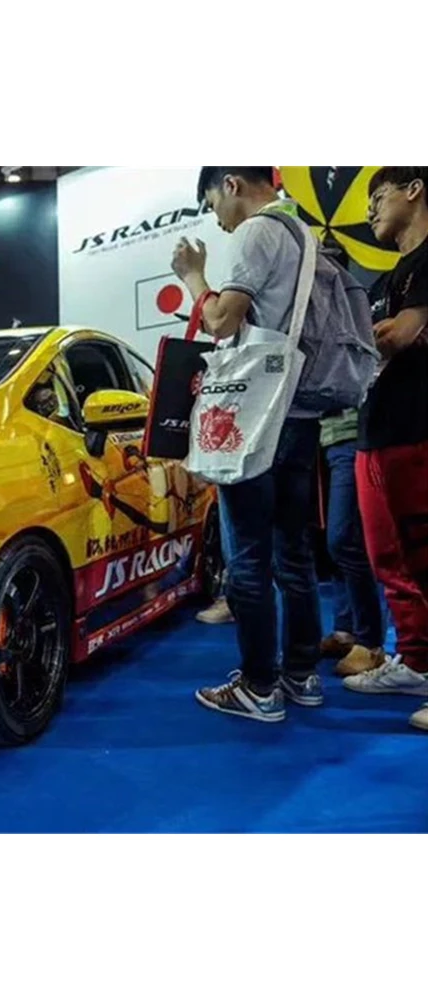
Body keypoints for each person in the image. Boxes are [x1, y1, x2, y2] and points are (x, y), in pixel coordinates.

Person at [171, 166, 324, 722]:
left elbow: (221, 321)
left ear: (231, 184)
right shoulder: (305, 235)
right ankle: (301, 675)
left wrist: (194, 276)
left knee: (250, 560)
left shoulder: (257, 231)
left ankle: (259, 687)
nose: (216, 218)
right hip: (299, 411)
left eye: (213, 202)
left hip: (258, 416)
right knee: (294, 554)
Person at [343, 167, 428, 731]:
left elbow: (396, 336)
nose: (371, 209)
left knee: (422, 556)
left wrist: (381, 337)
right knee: (389, 561)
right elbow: (380, 340)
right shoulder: (384, 281)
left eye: (379, 195)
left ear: (414, 190)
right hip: (375, 431)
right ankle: (417, 661)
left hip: (418, 428)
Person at [318, 408, 386, 675]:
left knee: (344, 539)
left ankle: (370, 642)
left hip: (356, 436)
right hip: (328, 437)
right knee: (337, 539)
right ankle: (345, 629)